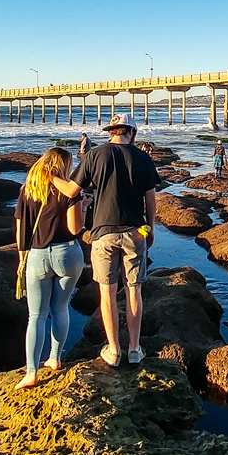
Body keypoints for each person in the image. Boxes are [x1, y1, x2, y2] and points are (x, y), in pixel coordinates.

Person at [70, 114, 159, 368]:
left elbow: (74, 190)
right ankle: (134, 348)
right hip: (135, 231)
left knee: (107, 292)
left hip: (103, 232)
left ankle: (113, 349)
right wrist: (150, 229)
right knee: (134, 289)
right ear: (132, 132)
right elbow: (150, 199)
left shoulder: (95, 154)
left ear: (111, 131)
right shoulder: (143, 158)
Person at [14, 148, 87, 389]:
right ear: (63, 166)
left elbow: (20, 230)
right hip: (67, 253)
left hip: (37, 255)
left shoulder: (27, 190)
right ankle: (55, 358)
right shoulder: (69, 191)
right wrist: (81, 205)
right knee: (60, 308)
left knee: (36, 316)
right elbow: (76, 228)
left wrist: (22, 258)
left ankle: (31, 372)